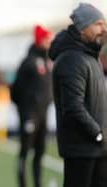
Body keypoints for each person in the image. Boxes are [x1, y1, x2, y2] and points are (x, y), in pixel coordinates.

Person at [49, 3, 107, 187]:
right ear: (83, 28)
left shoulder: (90, 56)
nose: (104, 29)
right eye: (98, 24)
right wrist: (98, 134)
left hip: (97, 149)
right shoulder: (72, 59)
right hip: (82, 150)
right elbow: (73, 107)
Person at [10, 24, 53, 187]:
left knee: (40, 153)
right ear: (39, 40)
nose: (49, 42)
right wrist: (26, 112)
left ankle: (37, 184)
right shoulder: (28, 62)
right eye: (47, 39)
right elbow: (15, 91)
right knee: (25, 152)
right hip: (30, 116)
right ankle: (22, 184)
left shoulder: (47, 61)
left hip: (43, 115)